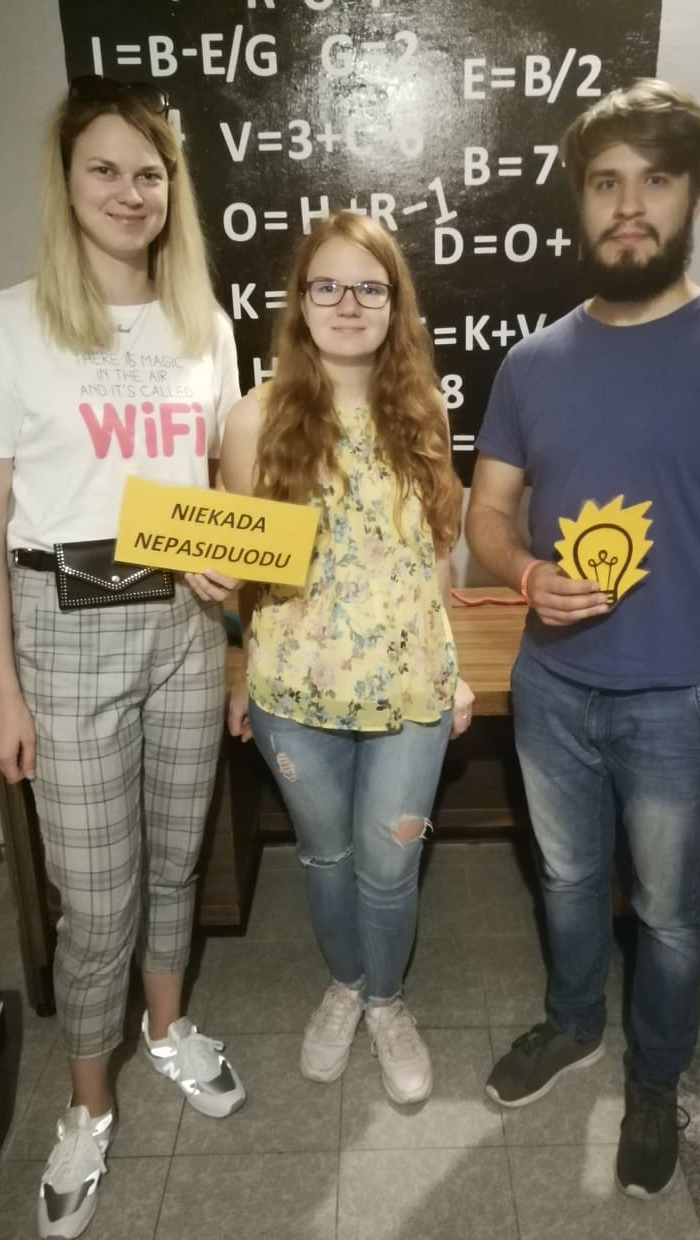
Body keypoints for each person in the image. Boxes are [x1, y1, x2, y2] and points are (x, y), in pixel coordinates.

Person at [466, 79, 700, 1198]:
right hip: (553, 689)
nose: (629, 206)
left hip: (684, 701)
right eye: (607, 183)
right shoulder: (534, 363)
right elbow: (486, 515)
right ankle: (576, 1024)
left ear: (692, 196)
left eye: (654, 181)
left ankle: (657, 1077)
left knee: (668, 913)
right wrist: (527, 573)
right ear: (581, 201)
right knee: (568, 879)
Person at [0, 77, 246, 1239]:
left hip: (181, 628)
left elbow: (213, 491)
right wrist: (1, 688)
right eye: (105, 170)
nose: (130, 192)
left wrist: (229, 577)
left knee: (177, 858)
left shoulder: (202, 323)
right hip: (62, 632)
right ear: (66, 184)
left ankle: (167, 1030)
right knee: (95, 894)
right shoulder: (0, 326)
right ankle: (87, 1101)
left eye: (149, 173)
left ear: (173, 190)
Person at [221, 211, 474, 1105]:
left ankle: (388, 1002)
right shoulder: (252, 418)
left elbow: (435, 554)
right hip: (295, 692)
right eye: (326, 285)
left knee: (389, 864)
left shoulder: (423, 410)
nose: (348, 304)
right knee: (324, 858)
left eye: (370, 288)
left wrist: (454, 666)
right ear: (299, 301)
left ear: (395, 304)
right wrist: (237, 656)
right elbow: (246, 565)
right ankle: (347, 985)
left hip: (408, 689)